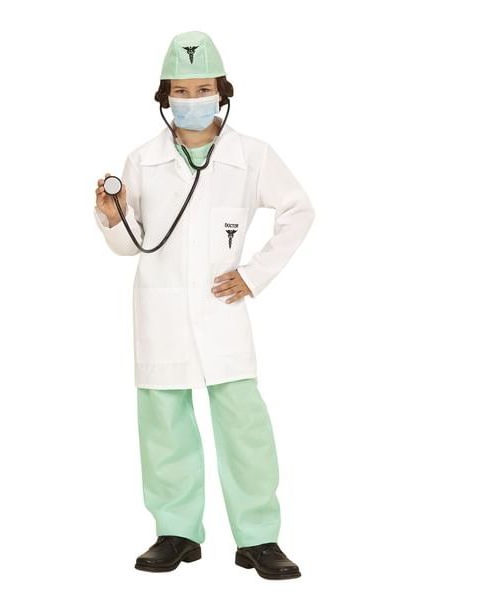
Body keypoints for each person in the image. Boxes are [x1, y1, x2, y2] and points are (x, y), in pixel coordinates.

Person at [93, 31, 315, 580]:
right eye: (181, 89)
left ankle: (258, 538)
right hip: (161, 311)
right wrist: (113, 215)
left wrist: (254, 275)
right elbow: (130, 245)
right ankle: (176, 532)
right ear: (164, 96)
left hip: (223, 312)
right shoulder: (142, 160)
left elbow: (298, 210)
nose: (192, 98)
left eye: (202, 88)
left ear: (222, 91)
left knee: (244, 425)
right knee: (163, 425)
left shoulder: (251, 156)